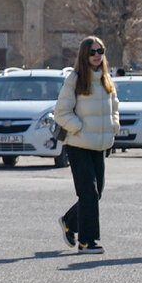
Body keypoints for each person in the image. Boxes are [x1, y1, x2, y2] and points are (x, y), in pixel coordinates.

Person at [55, 36, 119, 254]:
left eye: (100, 51)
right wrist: (79, 128)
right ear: (84, 55)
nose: (97, 55)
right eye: (92, 52)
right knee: (88, 193)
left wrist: (114, 126)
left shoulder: (106, 79)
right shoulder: (74, 79)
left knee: (96, 193)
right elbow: (61, 112)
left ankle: (69, 221)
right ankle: (86, 242)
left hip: (99, 145)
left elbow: (115, 109)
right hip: (78, 144)